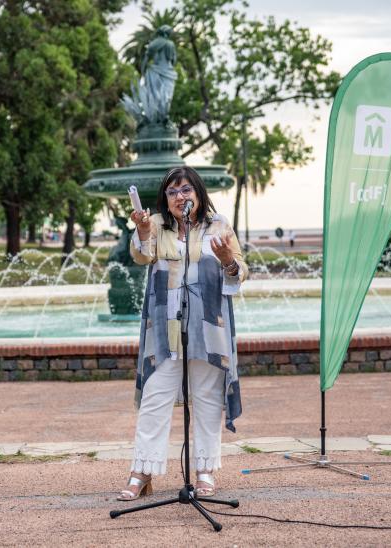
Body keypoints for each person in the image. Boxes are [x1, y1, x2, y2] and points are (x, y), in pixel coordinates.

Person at [117, 166, 248, 501]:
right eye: (172, 192)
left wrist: (228, 260)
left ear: (198, 194)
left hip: (206, 327)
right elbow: (141, 255)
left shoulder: (218, 226)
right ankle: (142, 471)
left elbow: (240, 272)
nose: (179, 197)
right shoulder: (157, 225)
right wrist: (142, 229)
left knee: (206, 400)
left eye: (186, 190)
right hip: (164, 328)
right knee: (155, 397)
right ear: (165, 198)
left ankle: (204, 470)